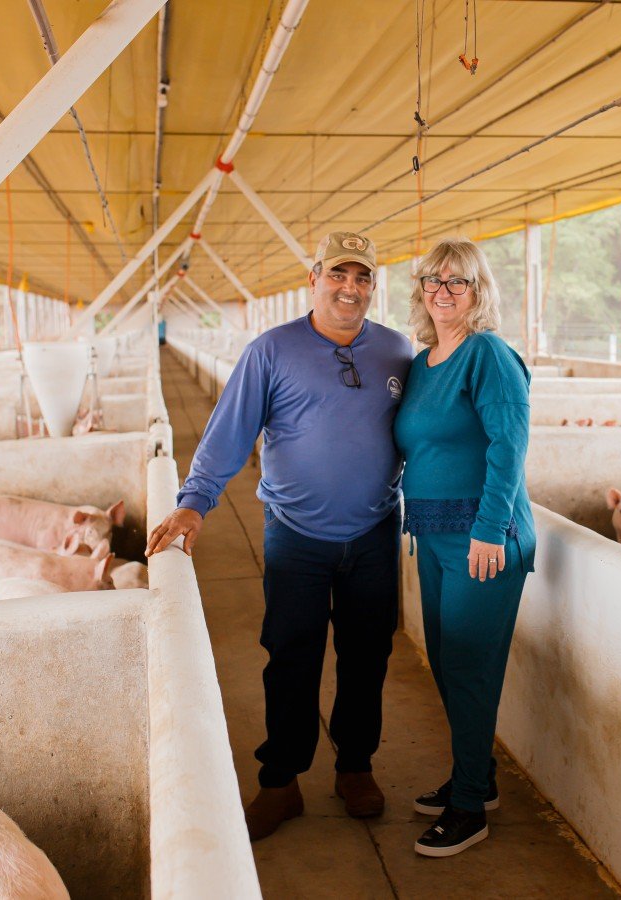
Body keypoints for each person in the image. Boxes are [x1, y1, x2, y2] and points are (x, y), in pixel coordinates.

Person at [146, 231, 414, 841]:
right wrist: (194, 503)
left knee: (368, 655)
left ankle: (355, 767)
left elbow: (424, 427)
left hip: (375, 531)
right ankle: (280, 781)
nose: (349, 288)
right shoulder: (271, 351)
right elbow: (229, 431)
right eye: (338, 274)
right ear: (314, 278)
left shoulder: (397, 351)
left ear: (374, 286)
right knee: (291, 654)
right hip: (296, 534)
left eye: (362, 277)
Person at [393, 238, 535, 857]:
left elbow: (509, 445)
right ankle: (477, 774)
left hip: (484, 539)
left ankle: (470, 806)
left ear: (479, 291)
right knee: (448, 662)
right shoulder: (424, 363)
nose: (443, 291)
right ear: (421, 290)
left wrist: (489, 529)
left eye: (458, 281)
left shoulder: (489, 355)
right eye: (433, 280)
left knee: (469, 667)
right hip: (432, 533)